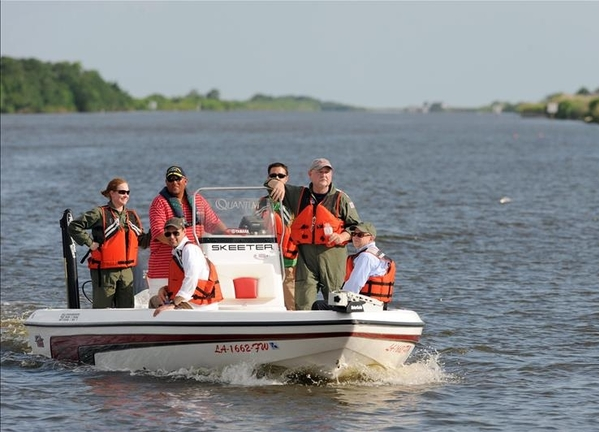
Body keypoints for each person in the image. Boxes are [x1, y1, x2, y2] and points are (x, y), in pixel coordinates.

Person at [265, 158, 360, 310]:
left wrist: (342, 236)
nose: (324, 175)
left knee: (336, 300)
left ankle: (335, 330)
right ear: (310, 174)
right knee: (303, 303)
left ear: (332, 174)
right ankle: (305, 331)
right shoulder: (299, 194)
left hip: (332, 256)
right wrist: (277, 183)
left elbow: (356, 226)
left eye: (327, 172)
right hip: (306, 258)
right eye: (319, 172)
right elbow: (268, 184)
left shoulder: (341, 198)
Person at [147, 166, 227, 297]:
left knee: (190, 309)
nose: (174, 182)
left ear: (185, 181)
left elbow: (214, 224)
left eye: (177, 179)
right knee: (161, 312)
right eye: (170, 179)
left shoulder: (198, 200)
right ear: (166, 182)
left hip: (190, 268)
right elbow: (159, 233)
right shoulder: (159, 203)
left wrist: (232, 234)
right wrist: (186, 247)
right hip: (164, 271)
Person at [68, 178, 146, 308]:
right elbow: (74, 226)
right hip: (105, 272)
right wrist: (90, 243)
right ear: (112, 193)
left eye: (128, 192)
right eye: (122, 192)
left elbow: (141, 239)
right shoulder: (99, 213)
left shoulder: (131, 216)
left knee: (127, 311)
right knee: (102, 310)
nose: (126, 195)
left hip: (127, 271)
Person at [312, 222, 396, 311]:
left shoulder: (366, 257)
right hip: (378, 304)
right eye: (354, 234)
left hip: (367, 304)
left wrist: (342, 298)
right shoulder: (377, 254)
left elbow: (355, 284)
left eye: (360, 235)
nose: (355, 237)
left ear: (371, 238)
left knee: (318, 305)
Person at [150, 217, 223, 316]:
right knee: (155, 300)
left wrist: (173, 303)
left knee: (156, 305)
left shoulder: (189, 250)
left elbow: (191, 278)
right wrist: (166, 289)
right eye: (168, 234)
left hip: (199, 305)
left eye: (176, 233)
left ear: (184, 231)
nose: (171, 237)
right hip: (192, 301)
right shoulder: (179, 251)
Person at [259, 162, 298, 310]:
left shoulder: (293, 199)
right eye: (273, 175)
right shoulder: (263, 202)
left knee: (292, 304)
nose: (277, 178)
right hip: (267, 260)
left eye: (280, 176)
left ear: (287, 178)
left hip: (289, 263)